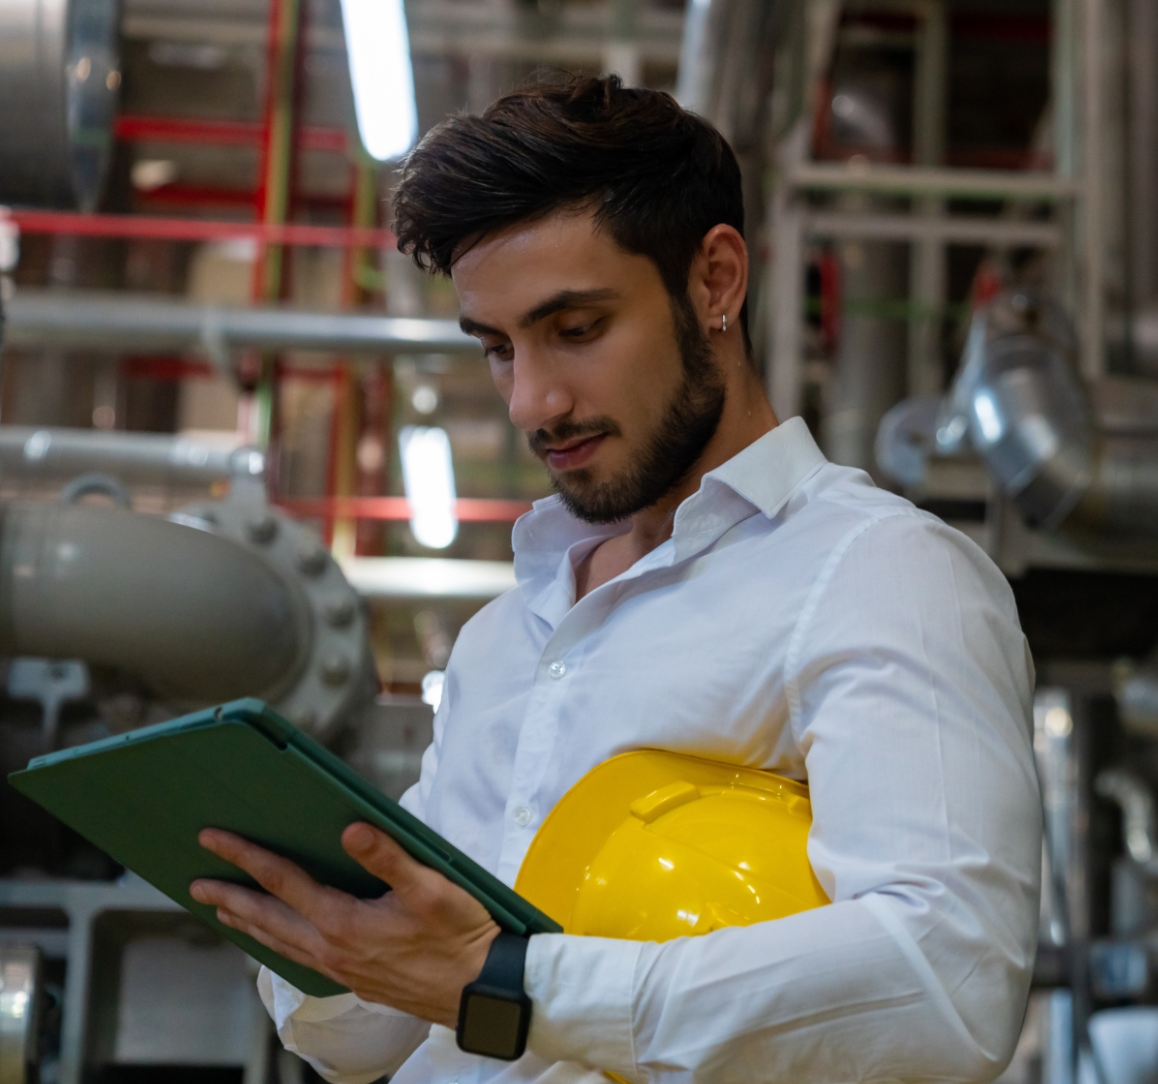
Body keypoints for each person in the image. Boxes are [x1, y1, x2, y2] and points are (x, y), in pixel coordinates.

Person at [190, 75, 1041, 1084]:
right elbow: (361, 1043)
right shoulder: (503, 640)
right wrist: (330, 937)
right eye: (498, 348)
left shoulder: (880, 573)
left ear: (715, 282)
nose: (531, 402)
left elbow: (947, 978)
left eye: (577, 329)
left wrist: (510, 984)